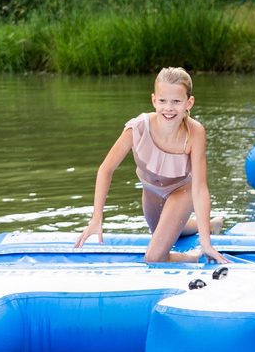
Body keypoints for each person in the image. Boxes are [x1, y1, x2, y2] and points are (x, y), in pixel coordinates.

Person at [74, 67, 228, 263]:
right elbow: (106, 169)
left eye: (176, 101)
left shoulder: (195, 132)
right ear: (154, 100)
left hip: (182, 192)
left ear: (189, 103)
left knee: (154, 257)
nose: (169, 108)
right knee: (165, 232)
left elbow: (199, 188)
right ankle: (208, 224)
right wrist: (96, 217)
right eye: (162, 101)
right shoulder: (138, 127)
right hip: (151, 193)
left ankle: (194, 257)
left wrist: (206, 244)